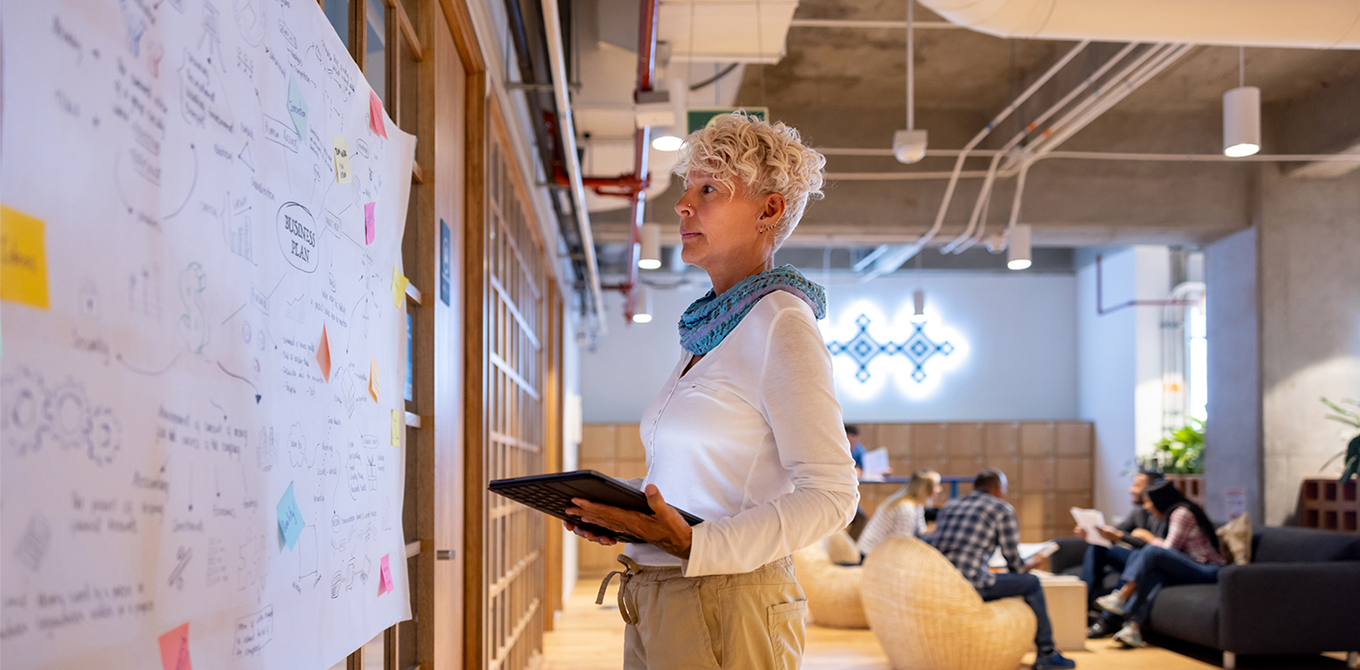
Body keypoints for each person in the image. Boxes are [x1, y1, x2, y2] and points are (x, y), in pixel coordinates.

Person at [561, 112, 859, 670]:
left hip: (727, 598)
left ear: (769, 210)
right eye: (685, 188)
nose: (682, 205)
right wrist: (620, 508)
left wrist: (698, 545)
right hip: (659, 592)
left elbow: (834, 493)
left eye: (709, 189)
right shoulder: (712, 326)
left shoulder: (781, 322)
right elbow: (709, 481)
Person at [930, 469, 1077, 670]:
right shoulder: (1002, 509)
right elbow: (1014, 563)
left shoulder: (950, 505)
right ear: (997, 488)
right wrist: (1032, 563)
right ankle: (1047, 653)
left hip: (942, 583)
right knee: (1031, 582)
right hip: (973, 585)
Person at [1095, 481, 1227, 648]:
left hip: (1209, 569)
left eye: (1149, 502)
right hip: (1192, 565)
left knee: (1152, 551)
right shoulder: (1170, 515)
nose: (1147, 507)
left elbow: (1168, 550)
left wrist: (1147, 538)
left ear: (1160, 500)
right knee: (1155, 574)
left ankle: (1122, 595)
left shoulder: (1181, 513)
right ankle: (1133, 628)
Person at [1079, 469, 1167, 638]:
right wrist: (1091, 534)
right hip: (1137, 557)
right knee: (1099, 546)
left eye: (1136, 485)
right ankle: (1081, 605)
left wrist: (1138, 538)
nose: (1131, 489)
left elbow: (1163, 550)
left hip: (1149, 562)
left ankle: (1108, 620)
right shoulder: (1138, 512)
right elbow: (1117, 534)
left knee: (1137, 554)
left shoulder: (1166, 514)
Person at [856, 470, 941, 557]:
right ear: (926, 489)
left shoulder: (917, 506)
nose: (940, 489)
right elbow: (903, 544)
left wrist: (941, 527)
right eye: (937, 486)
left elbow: (921, 530)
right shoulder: (906, 508)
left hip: (881, 553)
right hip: (869, 554)